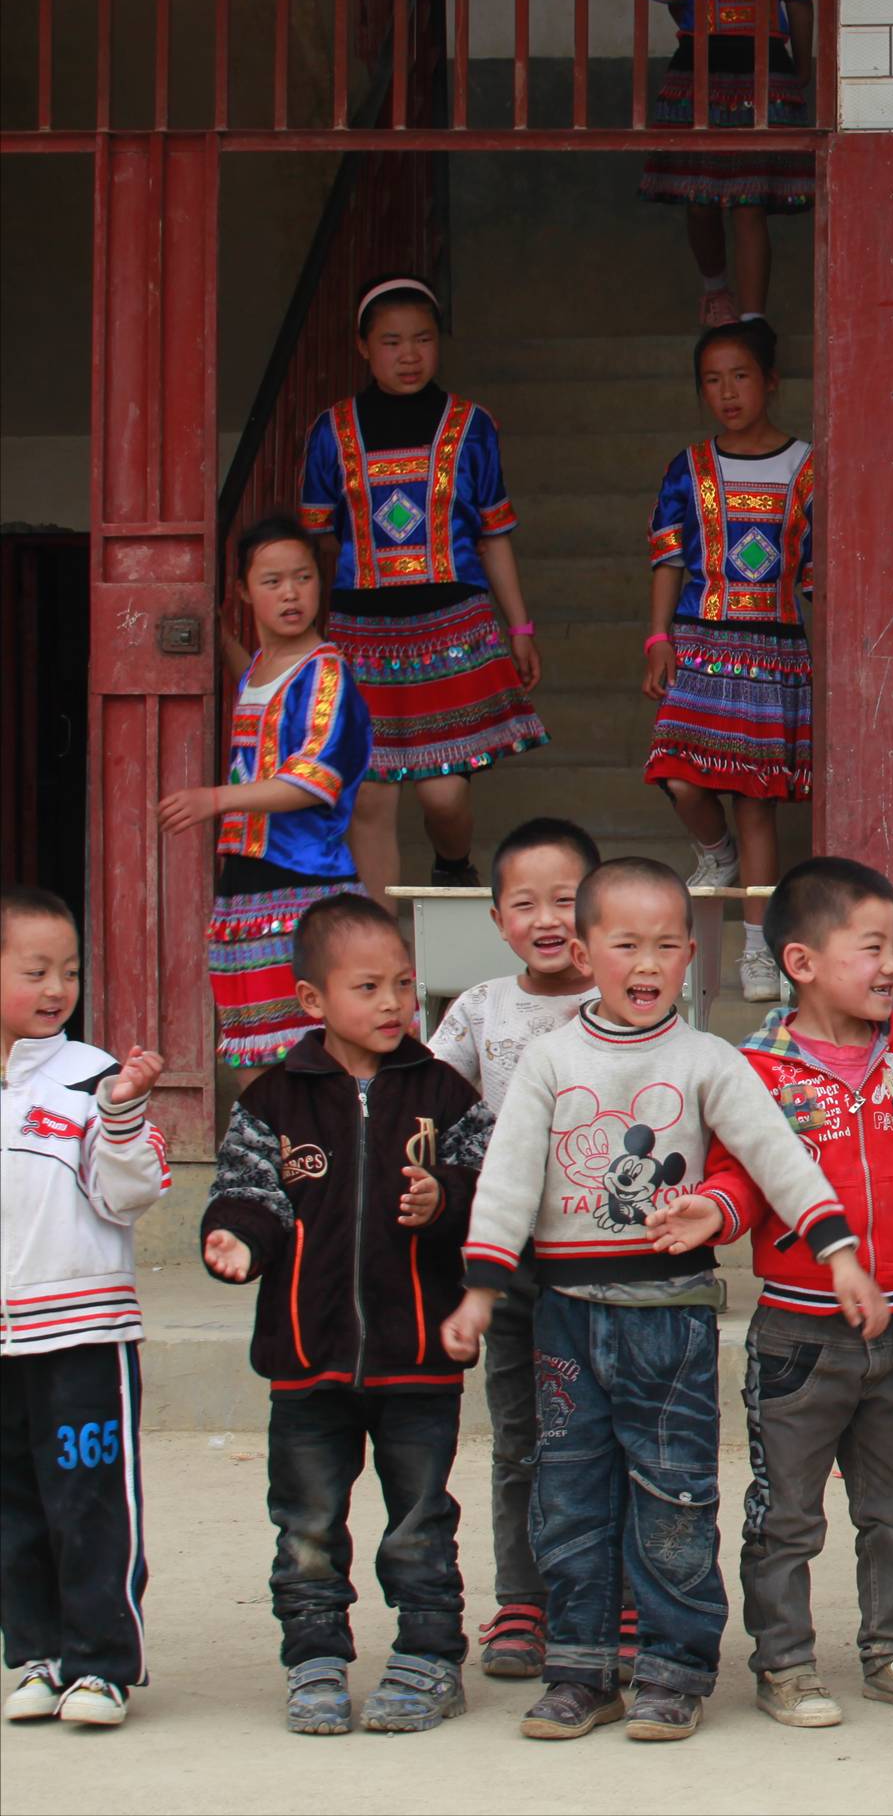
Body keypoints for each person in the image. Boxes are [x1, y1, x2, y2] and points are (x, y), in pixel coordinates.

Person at [440, 858, 890, 1743]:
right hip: (567, 1316)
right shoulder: (550, 1059)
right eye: (625, 946)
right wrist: (482, 1290)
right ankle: (580, 1671)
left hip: (671, 1319)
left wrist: (839, 1253)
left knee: (675, 1494)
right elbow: (509, 1178)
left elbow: (776, 1154)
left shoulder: (706, 1059)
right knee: (570, 1491)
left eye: (666, 946)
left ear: (692, 955)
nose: (646, 965)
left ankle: (673, 1670)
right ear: (584, 953)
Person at [659, 859, 893, 1728]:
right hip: (799, 1337)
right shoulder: (757, 1068)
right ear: (802, 961)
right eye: (872, 947)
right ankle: (786, 1664)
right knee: (786, 1516)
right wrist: (711, 1211)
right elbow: (740, 1178)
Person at [200, 895, 492, 1736]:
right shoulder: (273, 1099)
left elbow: (488, 1187)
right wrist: (236, 1237)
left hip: (418, 1355)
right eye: (368, 988)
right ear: (313, 1000)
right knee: (306, 1524)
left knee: (421, 1521)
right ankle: (315, 1659)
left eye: (402, 983)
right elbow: (249, 1191)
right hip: (307, 1356)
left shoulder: (444, 1092)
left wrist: (446, 1198)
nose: (393, 1003)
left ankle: (429, 1658)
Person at [296, 277, 544, 892]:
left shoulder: (472, 425)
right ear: (363, 347)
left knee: (443, 795)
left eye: (423, 340)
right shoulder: (331, 431)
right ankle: (379, 938)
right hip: (362, 634)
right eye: (391, 342)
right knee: (370, 798)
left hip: (452, 627)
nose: (409, 355)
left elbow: (493, 536)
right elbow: (321, 542)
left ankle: (453, 867)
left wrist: (519, 626)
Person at [424, 815, 599, 1682]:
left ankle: (610, 1597)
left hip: (602, 1249)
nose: (547, 919)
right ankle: (523, 1599)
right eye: (524, 904)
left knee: (607, 1430)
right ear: (497, 919)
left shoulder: (624, 1001)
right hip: (509, 1259)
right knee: (522, 1431)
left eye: (565, 900)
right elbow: (425, 1100)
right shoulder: (480, 1009)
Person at [0, 887, 168, 1730]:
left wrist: (123, 1114)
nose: (56, 988)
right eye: (35, 971)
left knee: (90, 1502)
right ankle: (37, 1656)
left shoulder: (92, 1076)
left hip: (82, 1334)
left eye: (68, 970)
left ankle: (101, 1666)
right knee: (14, 1507)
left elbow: (130, 1194)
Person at [644, 321, 816, 1003]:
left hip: (772, 648)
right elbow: (668, 557)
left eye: (740, 376)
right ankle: (717, 856)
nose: (728, 393)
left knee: (756, 803)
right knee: (678, 775)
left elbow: (820, 572)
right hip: (700, 643)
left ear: (770, 381)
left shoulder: (808, 467)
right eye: (712, 381)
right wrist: (658, 637)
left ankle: (759, 950)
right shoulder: (688, 468)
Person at [166, 514, 374, 1069]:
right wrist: (221, 638)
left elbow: (315, 779)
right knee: (253, 1043)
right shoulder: (262, 667)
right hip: (246, 879)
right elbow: (258, 690)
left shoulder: (327, 674)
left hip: (305, 878)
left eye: (303, 578)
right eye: (273, 581)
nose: (291, 594)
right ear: (243, 591)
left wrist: (216, 799)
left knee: (320, 1044)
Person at [640, 0, 818, 327]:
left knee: (748, 201)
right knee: (699, 199)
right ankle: (716, 293)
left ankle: (754, 321)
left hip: (765, 64)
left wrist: (802, 65)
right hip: (698, 66)